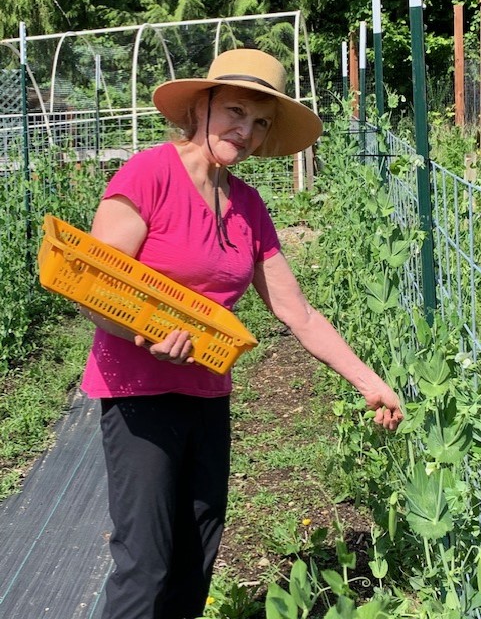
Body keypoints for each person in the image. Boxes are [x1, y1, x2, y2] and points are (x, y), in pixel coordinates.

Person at [80, 48, 403, 619]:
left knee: (195, 557)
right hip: (138, 393)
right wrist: (147, 333)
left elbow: (297, 313)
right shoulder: (150, 174)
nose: (246, 131)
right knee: (146, 562)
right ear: (200, 106)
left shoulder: (248, 205)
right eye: (235, 111)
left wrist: (367, 380)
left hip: (207, 395)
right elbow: (93, 285)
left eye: (260, 122)